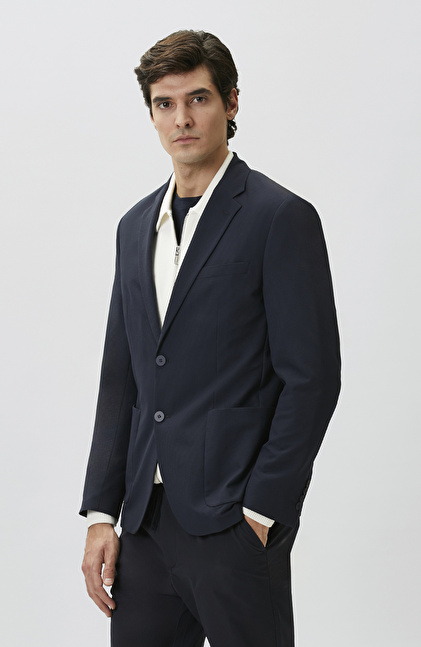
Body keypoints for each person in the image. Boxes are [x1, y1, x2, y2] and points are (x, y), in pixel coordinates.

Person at [80, 29, 341, 647]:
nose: (182, 119)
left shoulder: (279, 217)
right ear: (151, 114)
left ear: (230, 102)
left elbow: (312, 379)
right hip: (145, 523)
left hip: (233, 521)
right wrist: (101, 513)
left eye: (198, 98)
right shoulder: (133, 227)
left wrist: (263, 510)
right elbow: (122, 377)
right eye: (165, 104)